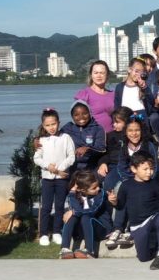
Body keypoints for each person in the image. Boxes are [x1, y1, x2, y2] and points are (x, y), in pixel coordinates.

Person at [113, 152, 159, 270]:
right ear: (134, 169)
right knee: (143, 258)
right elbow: (120, 206)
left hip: (152, 219)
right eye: (145, 169)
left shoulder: (154, 184)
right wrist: (114, 202)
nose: (149, 172)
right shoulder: (126, 186)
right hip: (137, 226)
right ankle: (154, 241)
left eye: (151, 169)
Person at [106, 114, 159, 250]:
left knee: (135, 195)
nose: (134, 134)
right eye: (130, 130)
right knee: (122, 190)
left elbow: (155, 165)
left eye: (137, 130)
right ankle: (118, 228)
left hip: (146, 180)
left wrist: (146, 178)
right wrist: (128, 179)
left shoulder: (148, 145)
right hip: (130, 179)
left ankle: (131, 229)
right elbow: (121, 166)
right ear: (125, 132)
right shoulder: (125, 146)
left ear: (142, 130)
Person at [34, 108, 75, 246]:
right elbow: (37, 158)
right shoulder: (41, 140)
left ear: (58, 122)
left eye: (53, 124)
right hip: (47, 178)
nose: (51, 127)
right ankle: (43, 234)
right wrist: (48, 167)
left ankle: (57, 231)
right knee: (46, 207)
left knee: (59, 206)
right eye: (47, 125)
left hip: (62, 179)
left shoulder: (66, 138)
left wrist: (59, 169)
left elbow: (71, 156)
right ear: (43, 126)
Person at [60, 170, 112, 259]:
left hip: (101, 229)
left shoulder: (101, 194)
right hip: (83, 230)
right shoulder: (75, 195)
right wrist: (72, 193)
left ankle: (89, 250)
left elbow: (93, 210)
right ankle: (65, 249)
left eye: (98, 185)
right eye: (94, 188)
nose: (98, 188)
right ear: (82, 190)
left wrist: (75, 211)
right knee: (72, 216)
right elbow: (75, 209)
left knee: (85, 217)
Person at [61, 100, 106, 172]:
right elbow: (53, 137)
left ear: (90, 113)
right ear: (72, 116)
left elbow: (102, 149)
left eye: (85, 113)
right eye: (76, 115)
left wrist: (88, 148)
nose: (81, 117)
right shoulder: (67, 128)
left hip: (91, 166)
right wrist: (37, 140)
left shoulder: (98, 128)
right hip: (71, 166)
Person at [74, 60, 115, 134]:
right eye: (96, 73)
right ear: (91, 75)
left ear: (107, 75)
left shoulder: (113, 94)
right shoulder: (84, 94)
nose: (99, 76)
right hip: (93, 136)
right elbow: (77, 117)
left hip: (111, 135)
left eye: (102, 73)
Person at [97, 106, 134, 186]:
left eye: (117, 122)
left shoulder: (135, 134)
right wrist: (103, 163)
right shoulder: (111, 136)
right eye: (113, 122)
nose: (114, 124)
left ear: (127, 122)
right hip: (113, 165)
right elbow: (106, 153)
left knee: (111, 183)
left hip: (129, 165)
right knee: (103, 180)